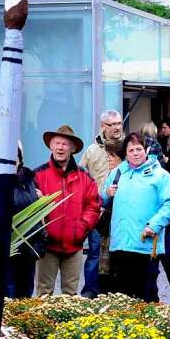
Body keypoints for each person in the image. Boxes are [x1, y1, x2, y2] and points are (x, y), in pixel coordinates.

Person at [101, 133, 170, 301]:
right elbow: (101, 198)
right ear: (125, 153)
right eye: (131, 150)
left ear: (147, 151)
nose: (135, 153)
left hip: (145, 245)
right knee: (122, 299)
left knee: (147, 297)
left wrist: (154, 225)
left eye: (139, 149)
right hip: (120, 245)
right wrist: (107, 193)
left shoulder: (160, 175)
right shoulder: (118, 172)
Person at [33, 125, 101, 296]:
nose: (60, 147)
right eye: (57, 143)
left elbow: (94, 205)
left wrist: (81, 228)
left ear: (73, 149)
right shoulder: (38, 175)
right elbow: (29, 206)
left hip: (74, 246)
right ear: (51, 146)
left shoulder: (85, 176)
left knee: (70, 295)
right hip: (47, 247)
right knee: (43, 294)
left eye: (65, 144)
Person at [0, 145, 43, 298]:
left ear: (19, 160)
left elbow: (37, 213)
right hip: (7, 250)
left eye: (14, 157)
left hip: (28, 249)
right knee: (7, 294)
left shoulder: (29, 181)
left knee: (25, 295)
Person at [79, 109, 125, 298]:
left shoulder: (129, 147)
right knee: (95, 254)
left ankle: (116, 294)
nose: (116, 127)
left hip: (123, 211)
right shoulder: (92, 150)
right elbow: (81, 178)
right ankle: (91, 293)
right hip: (98, 211)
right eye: (111, 124)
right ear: (102, 127)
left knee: (119, 254)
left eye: (119, 123)